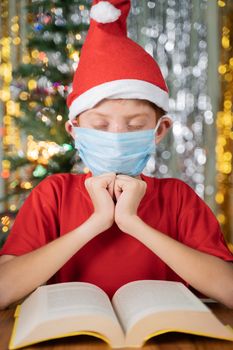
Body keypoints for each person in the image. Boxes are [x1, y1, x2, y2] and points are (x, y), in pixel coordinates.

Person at [0, 0, 233, 310]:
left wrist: (132, 222)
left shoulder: (178, 199)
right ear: (75, 130)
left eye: (135, 125)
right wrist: (96, 222)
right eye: (100, 124)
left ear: (159, 130)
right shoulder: (53, 195)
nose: (117, 137)